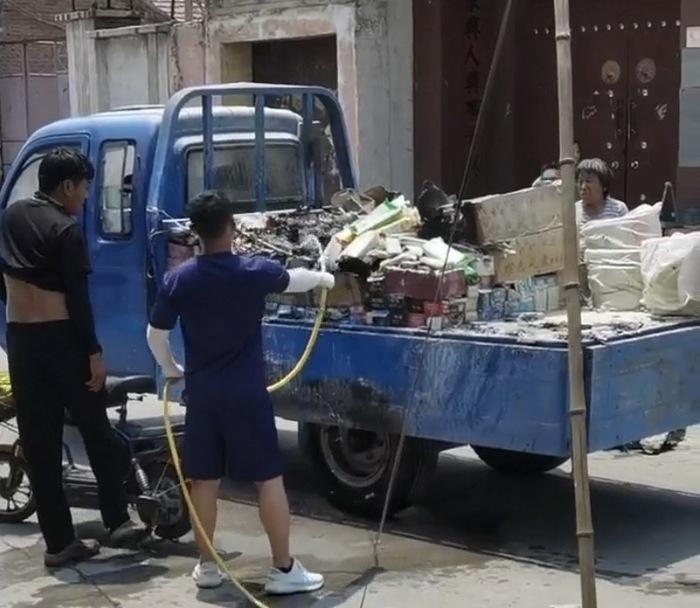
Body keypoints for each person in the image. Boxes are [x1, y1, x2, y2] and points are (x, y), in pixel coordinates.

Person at [147, 191, 334, 594]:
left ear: (195, 233)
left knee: (205, 481)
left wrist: (172, 370)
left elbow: (155, 334)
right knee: (268, 481)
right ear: (231, 228)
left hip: (202, 396)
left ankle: (208, 567)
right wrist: (324, 278)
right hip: (247, 395)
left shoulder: (179, 280)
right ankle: (283, 570)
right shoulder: (252, 270)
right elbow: (293, 279)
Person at [0, 148, 146, 568]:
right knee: (97, 432)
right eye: (84, 187)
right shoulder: (66, 230)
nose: (85, 196)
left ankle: (59, 543)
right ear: (66, 187)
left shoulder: (10, 217)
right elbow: (78, 302)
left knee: (40, 445)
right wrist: (94, 353)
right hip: (63, 339)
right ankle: (117, 520)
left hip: (21, 340)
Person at [575, 158, 628, 224]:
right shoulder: (574, 211)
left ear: (604, 186)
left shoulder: (619, 209)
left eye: (588, 181)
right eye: (580, 182)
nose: (583, 187)